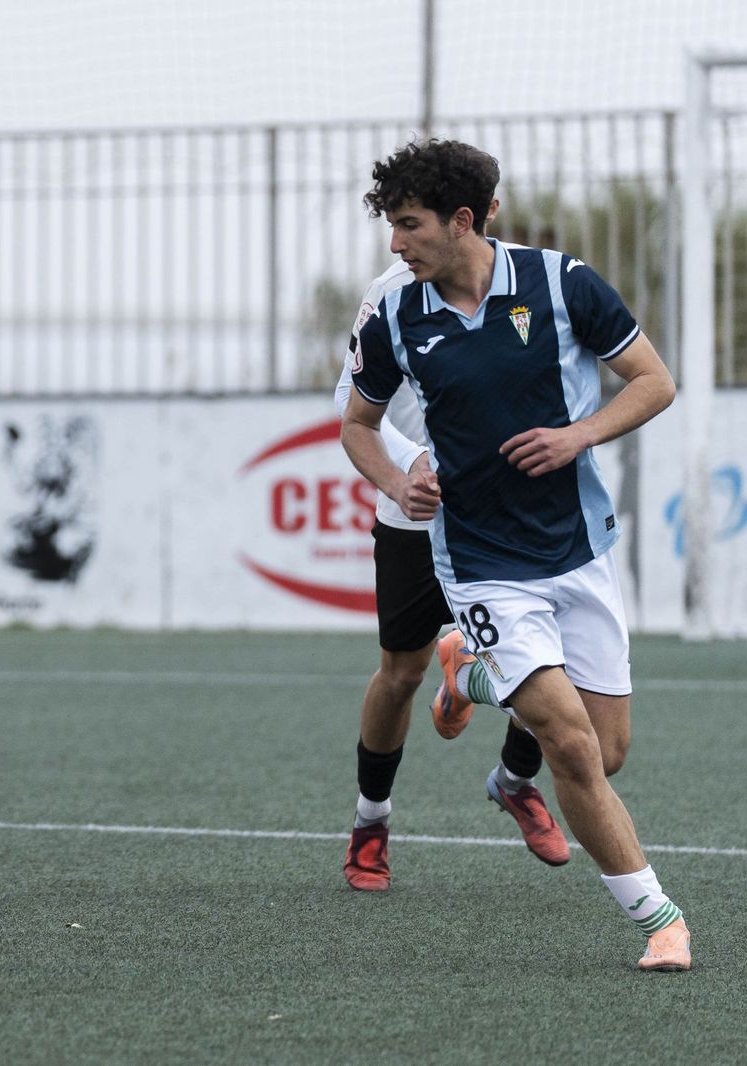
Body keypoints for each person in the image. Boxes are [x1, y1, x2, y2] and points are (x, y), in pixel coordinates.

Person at [342, 139, 689, 971]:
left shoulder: (561, 284)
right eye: (392, 226)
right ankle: (661, 921)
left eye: (409, 225)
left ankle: (471, 675)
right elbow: (357, 424)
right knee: (568, 748)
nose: (397, 243)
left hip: (579, 551)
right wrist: (398, 483)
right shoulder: (396, 313)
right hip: (482, 562)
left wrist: (580, 435)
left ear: (463, 221)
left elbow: (653, 381)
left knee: (605, 754)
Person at [335, 249, 569, 893]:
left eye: (410, 221)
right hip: (417, 517)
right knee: (400, 671)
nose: (398, 241)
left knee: (548, 658)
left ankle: (515, 782)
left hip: (502, 514)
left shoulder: (526, 282)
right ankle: (370, 823)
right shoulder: (389, 294)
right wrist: (408, 467)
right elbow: (349, 404)